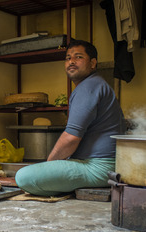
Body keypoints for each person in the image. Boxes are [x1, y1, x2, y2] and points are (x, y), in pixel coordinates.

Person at [15, 40, 126, 196]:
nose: (71, 62)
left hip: (99, 167)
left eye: (78, 57)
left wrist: (49, 166)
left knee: (24, 177)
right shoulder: (95, 84)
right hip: (104, 165)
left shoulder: (89, 87)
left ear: (93, 63)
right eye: (68, 58)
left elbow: (71, 138)